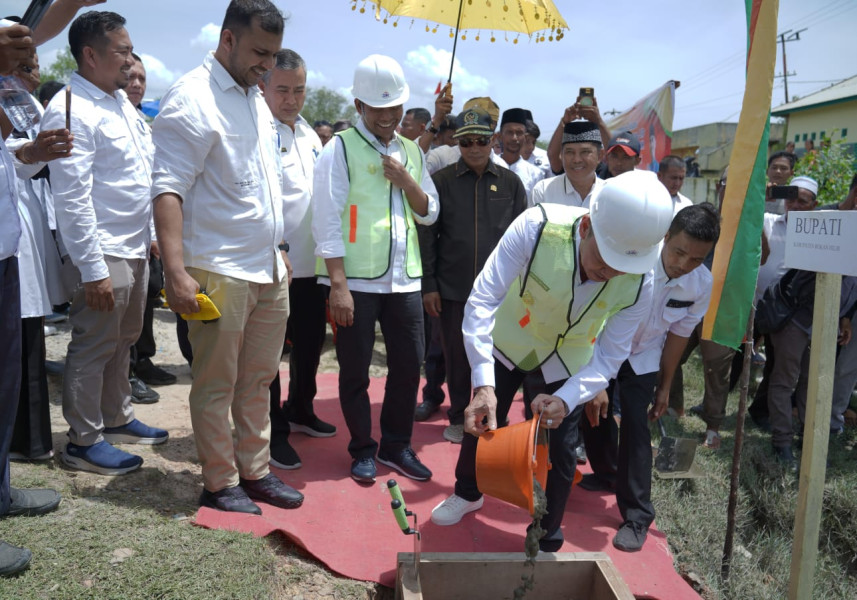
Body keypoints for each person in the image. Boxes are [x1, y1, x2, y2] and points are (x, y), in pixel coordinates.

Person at [430, 171, 674, 553]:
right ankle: (467, 491)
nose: (608, 273)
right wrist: (483, 382)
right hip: (514, 337)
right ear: (587, 226)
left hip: (571, 355)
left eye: (620, 268)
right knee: (481, 419)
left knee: (563, 447)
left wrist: (570, 397)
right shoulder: (536, 227)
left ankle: (547, 530)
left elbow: (611, 356)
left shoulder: (641, 281)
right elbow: (481, 301)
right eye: (603, 259)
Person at [152, 0, 303, 514]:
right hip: (216, 267)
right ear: (227, 39)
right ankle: (220, 483)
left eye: (274, 53)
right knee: (216, 383)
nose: (268, 64)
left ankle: (255, 471)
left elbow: (261, 184)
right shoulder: (191, 98)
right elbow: (167, 189)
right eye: (260, 52)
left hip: (265, 266)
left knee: (258, 379)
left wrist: (278, 248)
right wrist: (175, 272)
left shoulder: (254, 98)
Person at [42, 11, 168, 476]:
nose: (130, 61)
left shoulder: (119, 104)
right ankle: (83, 439)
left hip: (132, 247)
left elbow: (139, 179)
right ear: (90, 55)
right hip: (103, 250)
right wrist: (92, 268)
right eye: (121, 51)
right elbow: (72, 198)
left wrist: (152, 237)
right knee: (95, 342)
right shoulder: (72, 107)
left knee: (125, 337)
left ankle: (116, 417)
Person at [313, 54, 439, 484]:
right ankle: (362, 448)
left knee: (408, 366)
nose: (388, 116)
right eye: (378, 108)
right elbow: (327, 219)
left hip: (404, 280)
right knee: (354, 370)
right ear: (359, 105)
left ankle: (396, 445)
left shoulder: (411, 152)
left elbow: (429, 212)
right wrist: (338, 285)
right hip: (357, 282)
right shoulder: (340, 148)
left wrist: (407, 181)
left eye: (395, 107)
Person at [580, 204, 718, 552]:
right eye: (678, 252)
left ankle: (638, 515)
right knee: (590, 415)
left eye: (696, 259)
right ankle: (607, 472)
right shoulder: (633, 260)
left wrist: (666, 386)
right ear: (665, 237)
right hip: (601, 347)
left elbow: (679, 335)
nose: (683, 264)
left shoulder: (701, 284)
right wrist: (595, 376)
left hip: (643, 357)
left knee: (637, 432)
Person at [418, 106, 527, 443]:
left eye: (481, 140)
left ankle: (494, 412)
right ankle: (456, 415)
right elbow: (428, 238)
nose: (475, 148)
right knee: (456, 357)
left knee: (498, 356)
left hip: (501, 292)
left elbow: (524, 236)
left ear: (492, 141)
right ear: (458, 144)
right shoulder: (442, 181)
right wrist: (430, 285)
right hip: (453, 288)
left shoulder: (510, 182)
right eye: (467, 143)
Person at [258, 48, 332, 472]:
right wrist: (277, 249)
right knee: (269, 357)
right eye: (282, 89)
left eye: (299, 90)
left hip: (312, 267)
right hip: (274, 264)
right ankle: (272, 433)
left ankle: (300, 408)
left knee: (310, 344)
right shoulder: (260, 131)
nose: (291, 99)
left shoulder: (309, 134)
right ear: (264, 86)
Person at [6, 53, 68, 461]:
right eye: (25, 66)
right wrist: (29, 153)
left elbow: (23, 159)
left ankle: (28, 441)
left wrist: (33, 153)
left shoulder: (24, 107)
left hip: (18, 231)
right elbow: (18, 155)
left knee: (25, 343)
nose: (35, 76)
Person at [124, 52, 173, 405]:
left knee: (147, 299)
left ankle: (143, 361)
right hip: (119, 234)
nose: (137, 84)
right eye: (130, 77)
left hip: (144, 230)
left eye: (142, 78)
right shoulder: (109, 117)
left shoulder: (142, 122)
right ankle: (125, 373)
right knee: (123, 310)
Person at [530, 121, 604, 209]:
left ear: (600, 156)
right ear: (561, 155)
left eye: (585, 152)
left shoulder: (611, 193)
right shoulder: (543, 191)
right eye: (570, 152)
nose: (577, 160)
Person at [495, 108, 543, 199]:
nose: (514, 138)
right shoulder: (489, 166)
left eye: (519, 133)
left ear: (525, 137)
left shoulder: (535, 174)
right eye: (509, 132)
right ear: (500, 136)